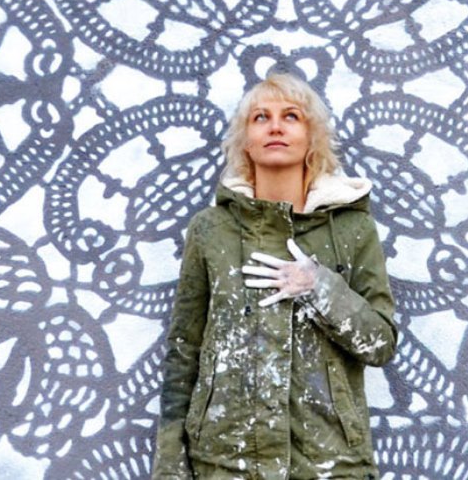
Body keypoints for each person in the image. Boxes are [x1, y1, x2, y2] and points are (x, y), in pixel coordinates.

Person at [151, 72, 397, 479]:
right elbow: (184, 351)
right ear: (245, 141)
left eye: (291, 116)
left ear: (312, 138)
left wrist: (318, 287)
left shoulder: (354, 230)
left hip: (328, 462)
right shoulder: (211, 230)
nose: (276, 127)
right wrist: (171, 468)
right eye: (261, 117)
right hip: (226, 460)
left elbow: (381, 345)